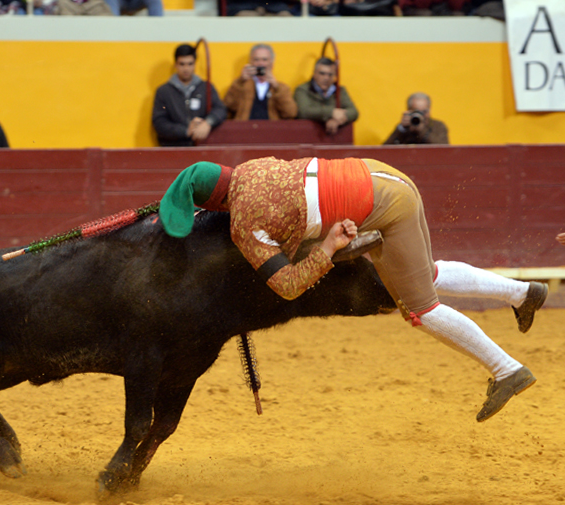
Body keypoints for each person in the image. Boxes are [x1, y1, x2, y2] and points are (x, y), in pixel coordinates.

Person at [158, 156, 547, 422]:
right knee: (423, 274)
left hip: (383, 207)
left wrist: (327, 249)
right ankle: (523, 293)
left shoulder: (242, 223)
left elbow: (289, 286)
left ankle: (506, 370)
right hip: (386, 178)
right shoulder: (256, 167)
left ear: (212, 203)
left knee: (418, 308)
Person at [152, 44, 227, 147]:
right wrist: (185, 131)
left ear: (195, 64)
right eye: (182, 64)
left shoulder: (206, 87)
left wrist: (208, 122)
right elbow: (159, 123)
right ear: (176, 65)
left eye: (190, 64)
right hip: (174, 147)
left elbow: (220, 109)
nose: (186, 68)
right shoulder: (163, 91)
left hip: (202, 146)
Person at [223, 44, 297, 121]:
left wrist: (276, 87)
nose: (260, 63)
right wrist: (240, 82)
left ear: (272, 63)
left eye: (264, 60)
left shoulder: (280, 88)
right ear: (251, 62)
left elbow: (291, 113)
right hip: (245, 130)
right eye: (256, 60)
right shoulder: (242, 85)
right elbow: (228, 108)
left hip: (271, 131)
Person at [294, 57, 359, 136]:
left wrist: (337, 121)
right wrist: (331, 112)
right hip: (308, 135)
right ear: (314, 73)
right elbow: (303, 112)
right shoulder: (303, 90)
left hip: (333, 138)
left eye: (330, 74)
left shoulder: (339, 91)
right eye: (322, 73)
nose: (326, 78)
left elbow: (354, 112)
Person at [384, 92, 449, 145]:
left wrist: (422, 131)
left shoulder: (438, 126)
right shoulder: (405, 128)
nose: (421, 115)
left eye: (424, 112)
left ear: (429, 111)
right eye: (416, 111)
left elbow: (443, 149)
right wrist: (401, 129)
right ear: (408, 111)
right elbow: (386, 150)